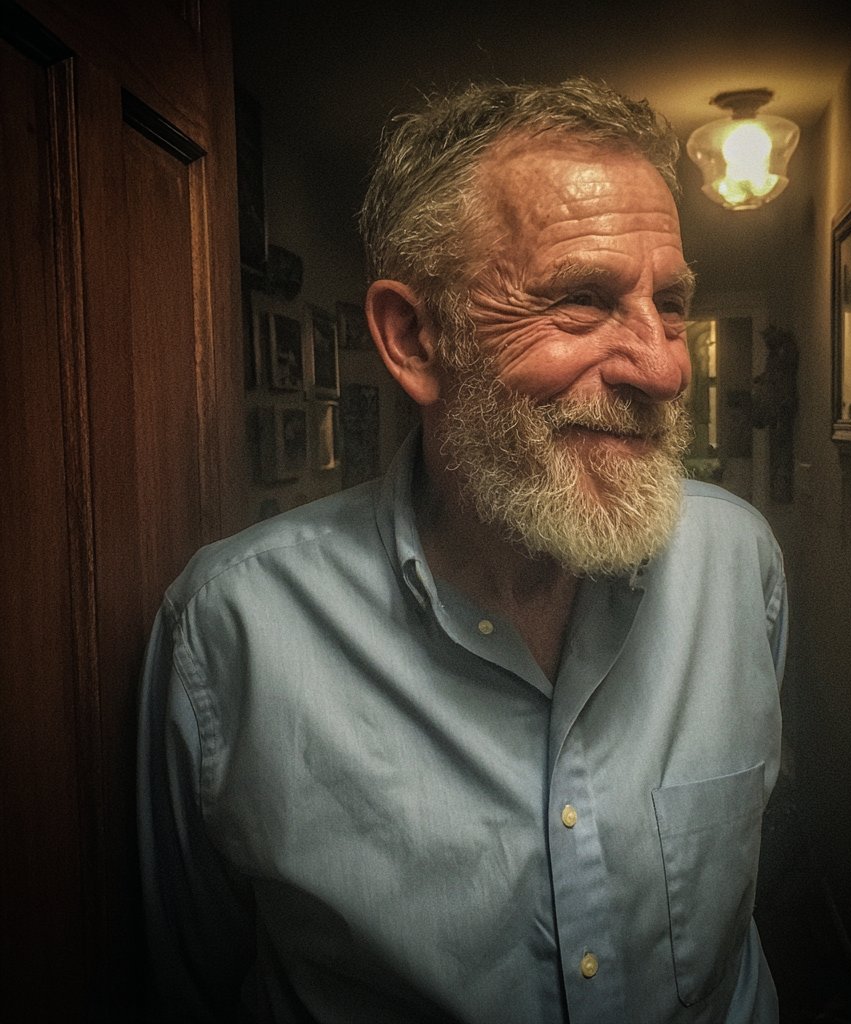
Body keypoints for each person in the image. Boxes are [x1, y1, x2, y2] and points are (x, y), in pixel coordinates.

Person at [138, 77, 787, 1023]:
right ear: (414, 338)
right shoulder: (231, 634)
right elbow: (183, 983)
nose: (666, 365)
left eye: (672, 305)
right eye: (581, 301)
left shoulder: (740, 566)